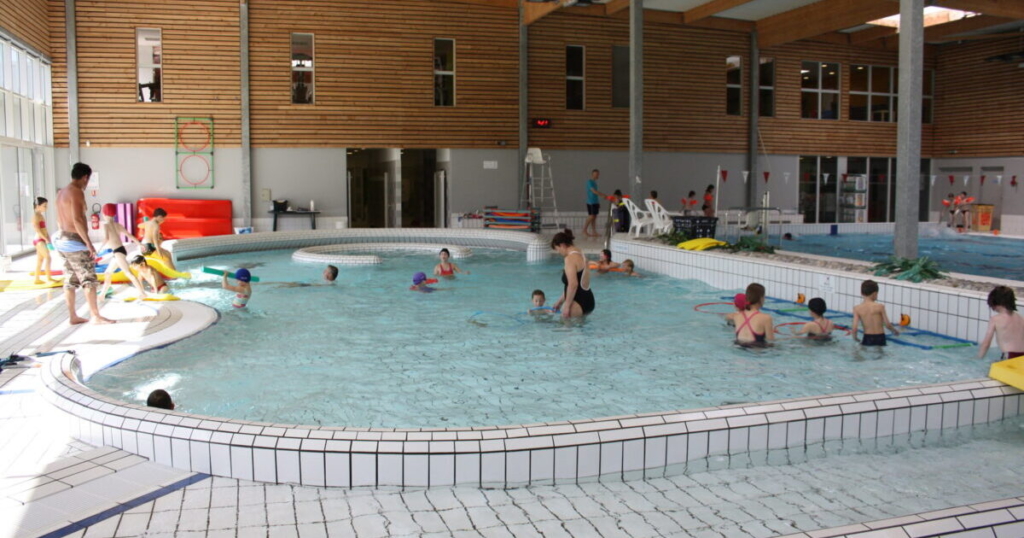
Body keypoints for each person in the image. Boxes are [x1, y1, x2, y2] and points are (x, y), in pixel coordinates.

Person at [55, 163, 113, 325]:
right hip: (75, 241)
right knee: (89, 279)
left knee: (70, 280)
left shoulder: (61, 193)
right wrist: (88, 243)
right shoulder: (76, 192)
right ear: (85, 177)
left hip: (62, 240)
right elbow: (78, 219)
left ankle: (73, 316)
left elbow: (60, 220)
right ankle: (95, 316)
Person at [98, 203, 147, 300]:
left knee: (128, 273)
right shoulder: (118, 225)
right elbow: (130, 236)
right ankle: (102, 295)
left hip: (118, 252)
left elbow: (106, 238)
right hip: (119, 251)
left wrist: (98, 249)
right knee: (108, 272)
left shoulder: (105, 225)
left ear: (103, 213)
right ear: (115, 214)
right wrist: (139, 244)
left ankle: (142, 293)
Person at [551, 229, 594, 318]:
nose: (558, 252)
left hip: (578, 302)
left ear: (562, 245)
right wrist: (560, 302)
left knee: (563, 328)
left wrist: (566, 306)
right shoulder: (580, 253)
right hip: (588, 300)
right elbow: (571, 286)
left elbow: (573, 284)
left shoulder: (570, 259)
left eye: (557, 249)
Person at [977, 286, 1024, 360]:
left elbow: (986, 343)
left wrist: (978, 358)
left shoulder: (995, 319)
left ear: (994, 303)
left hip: (1009, 356)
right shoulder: (1021, 318)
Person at [851, 279, 900, 346]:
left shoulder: (857, 308)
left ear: (861, 293)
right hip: (881, 337)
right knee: (880, 353)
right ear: (875, 294)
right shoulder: (880, 307)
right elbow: (887, 325)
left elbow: (854, 328)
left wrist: (855, 338)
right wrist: (895, 331)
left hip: (867, 337)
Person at [31, 197, 58, 285]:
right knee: (48, 257)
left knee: (40, 260)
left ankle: (36, 279)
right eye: (44, 206)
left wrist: (48, 238)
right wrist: (46, 239)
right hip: (39, 239)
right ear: (38, 206)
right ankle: (48, 278)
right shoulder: (35, 217)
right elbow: (37, 230)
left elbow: (44, 229)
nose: (46, 208)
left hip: (42, 238)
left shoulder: (41, 216)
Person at [583, 169, 606, 238]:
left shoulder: (595, 183)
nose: (597, 176)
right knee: (591, 216)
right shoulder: (589, 182)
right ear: (592, 174)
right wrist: (602, 195)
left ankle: (594, 231)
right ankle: (584, 230)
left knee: (594, 217)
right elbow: (594, 191)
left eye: (598, 174)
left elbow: (595, 193)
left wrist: (598, 202)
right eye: (596, 174)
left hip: (595, 201)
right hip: (590, 202)